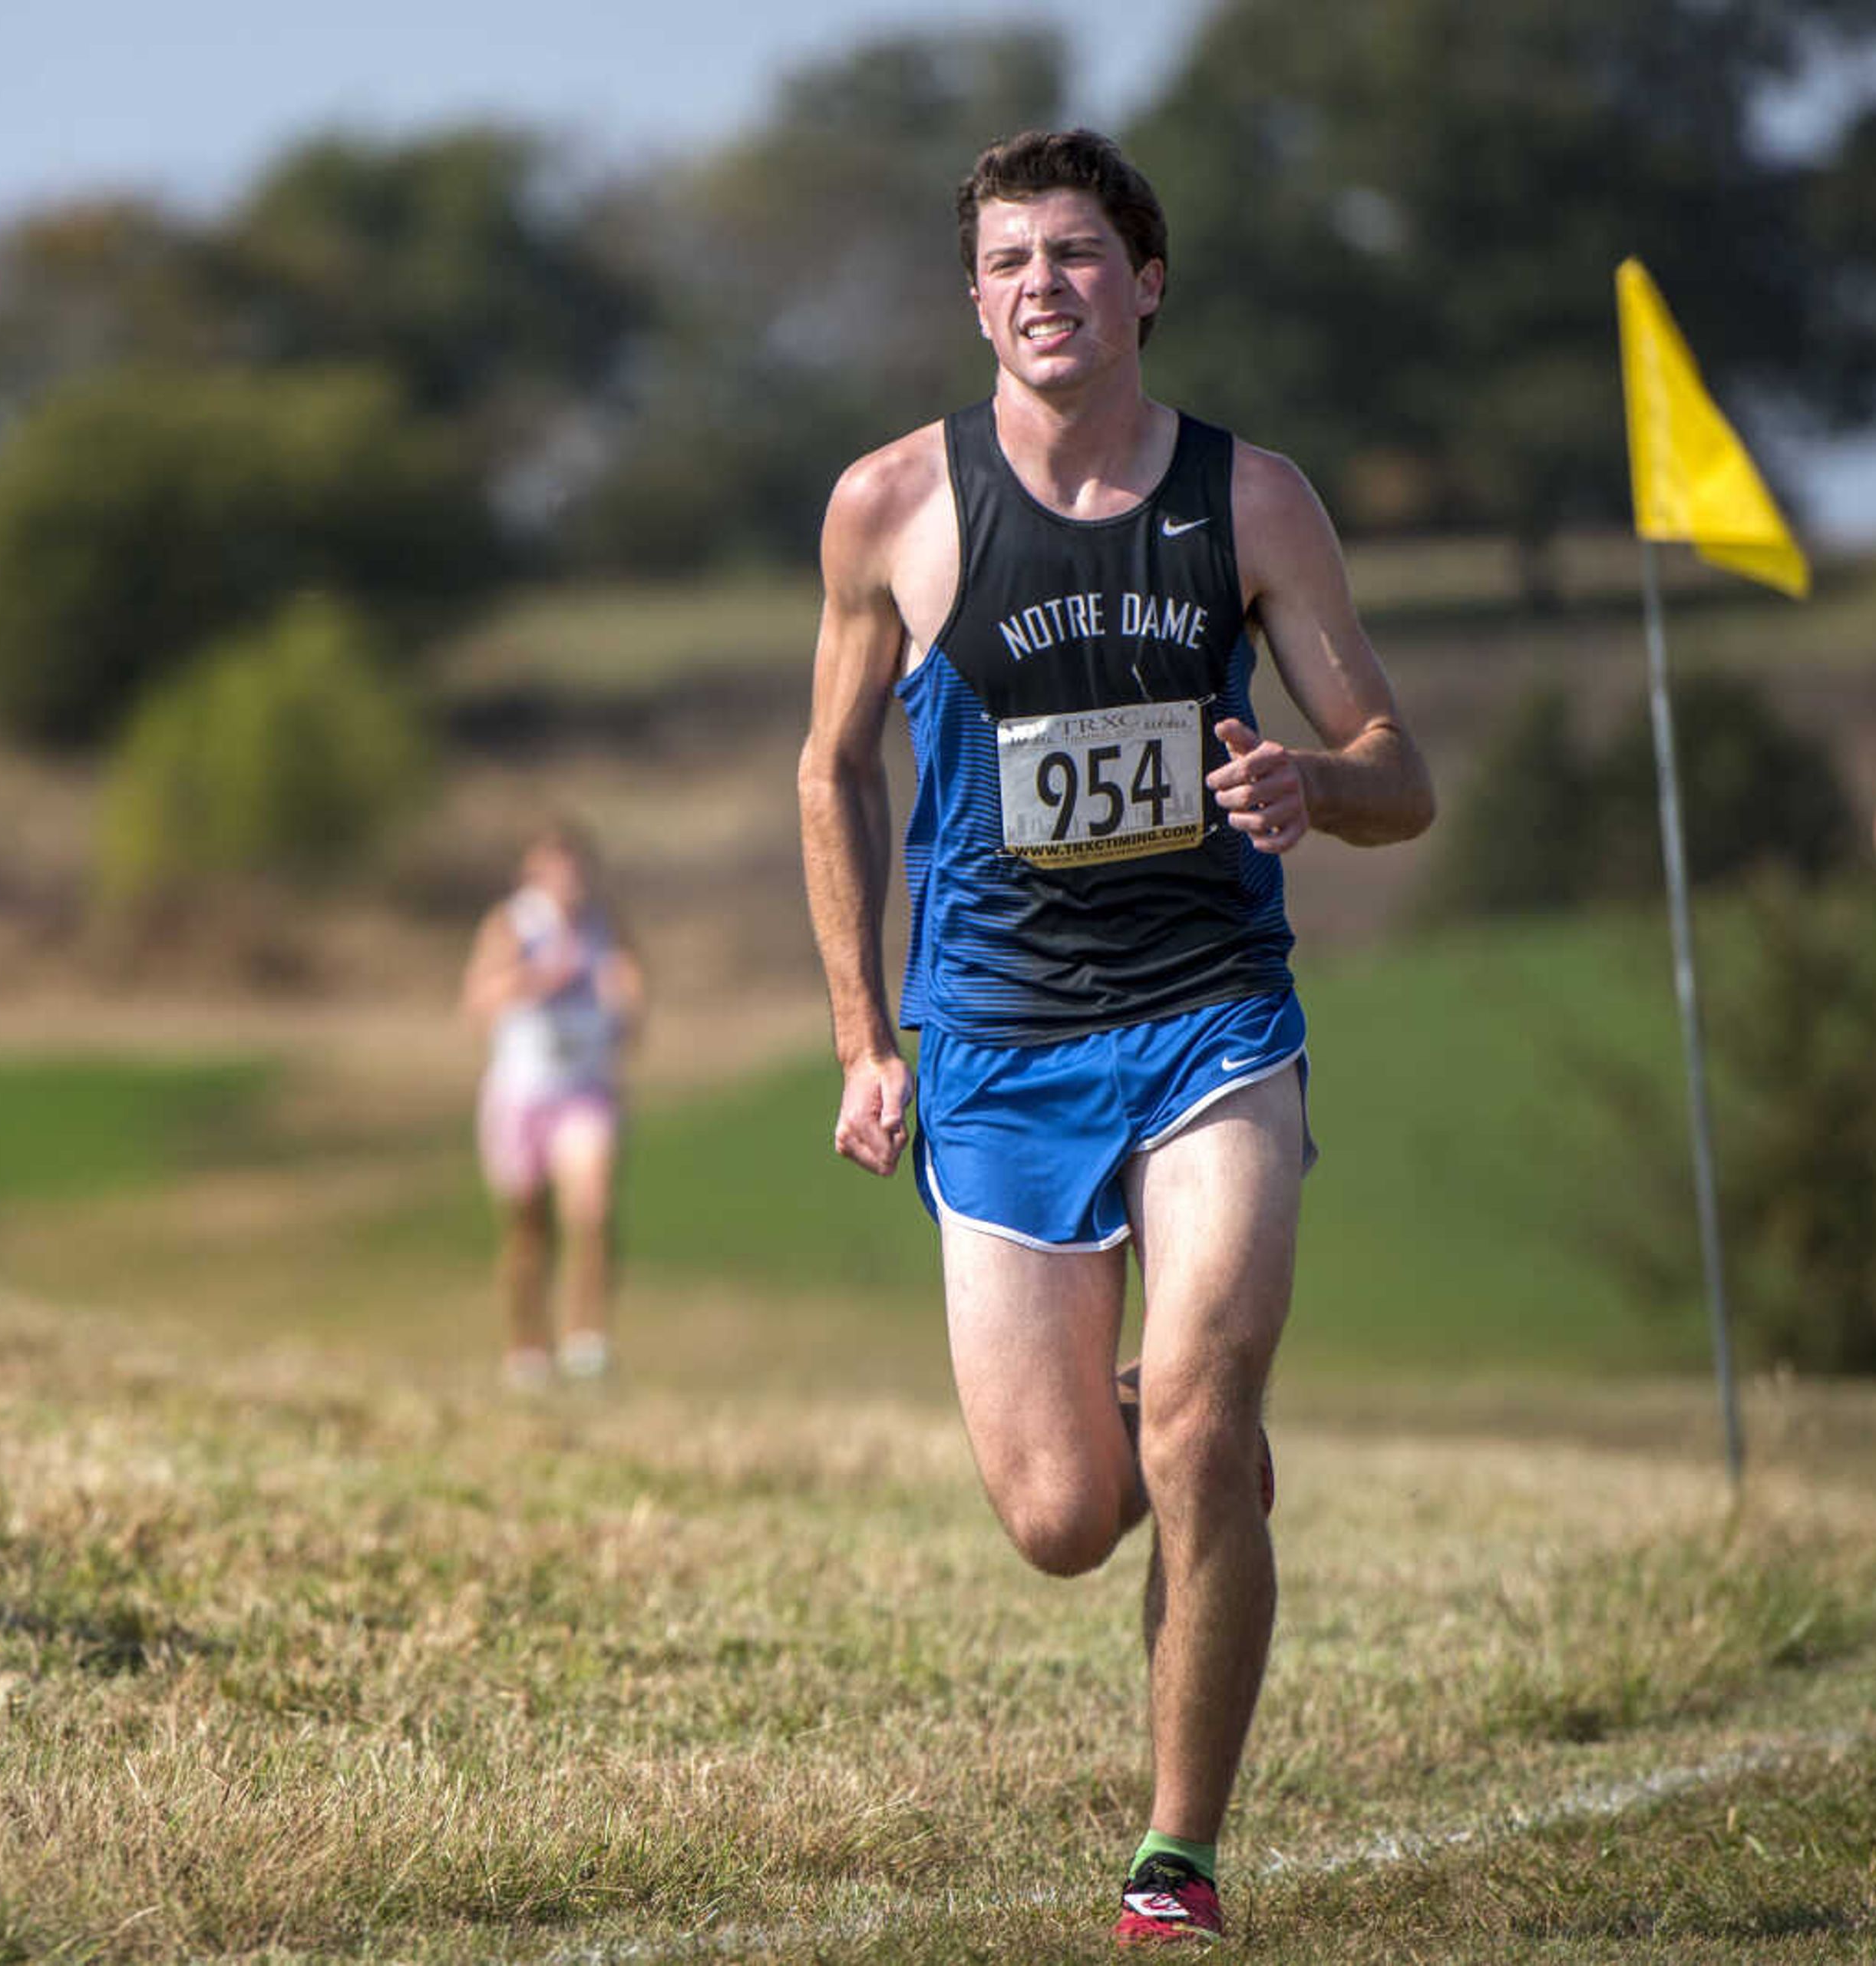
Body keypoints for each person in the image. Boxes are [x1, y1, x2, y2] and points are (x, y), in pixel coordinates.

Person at [797, 128, 1433, 1946]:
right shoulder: (890, 505)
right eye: (1007, 260)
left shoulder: (1251, 499)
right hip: (992, 1043)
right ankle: (1178, 1435)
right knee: (1066, 1512)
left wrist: (1311, 779)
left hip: (1209, 1017)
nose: (1040, 288)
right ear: (973, 298)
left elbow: (1404, 774)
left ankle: (1175, 1853)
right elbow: (831, 768)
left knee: (1203, 1418)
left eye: (1075, 255)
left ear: (1142, 283)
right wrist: (864, 1036)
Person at [460, 821, 646, 1388]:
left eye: (574, 868)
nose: (567, 881)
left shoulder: (604, 928)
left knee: (591, 1208)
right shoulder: (513, 926)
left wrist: (625, 1002)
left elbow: (634, 1003)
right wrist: (536, 979)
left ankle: (587, 1341)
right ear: (533, 876)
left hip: (583, 1091)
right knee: (527, 1226)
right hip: (522, 1093)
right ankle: (527, 1347)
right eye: (553, 870)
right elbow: (477, 1002)